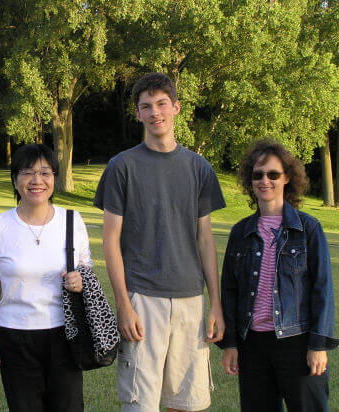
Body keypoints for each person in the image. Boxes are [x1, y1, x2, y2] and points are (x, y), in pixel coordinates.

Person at [94, 72, 226, 411]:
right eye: (146, 106)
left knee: (186, 403)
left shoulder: (199, 168)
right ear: (138, 114)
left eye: (162, 104)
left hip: (190, 300)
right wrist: (123, 304)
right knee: (140, 403)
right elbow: (110, 240)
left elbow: (205, 240)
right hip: (142, 299)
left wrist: (216, 305)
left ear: (176, 107)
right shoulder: (121, 166)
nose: (156, 113)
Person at [217, 140, 339, 411]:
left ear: (287, 178)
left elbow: (322, 289)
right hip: (252, 347)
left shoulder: (308, 229)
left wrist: (318, 344)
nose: (265, 180)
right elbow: (229, 290)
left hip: (297, 343)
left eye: (273, 174)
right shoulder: (240, 232)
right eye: (258, 175)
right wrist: (230, 344)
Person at [0, 144, 91, 412]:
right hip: (15, 336)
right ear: (15, 179)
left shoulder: (72, 221)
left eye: (45, 172)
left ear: (54, 177)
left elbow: (86, 272)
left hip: (65, 335)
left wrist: (79, 280)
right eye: (27, 172)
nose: (37, 181)